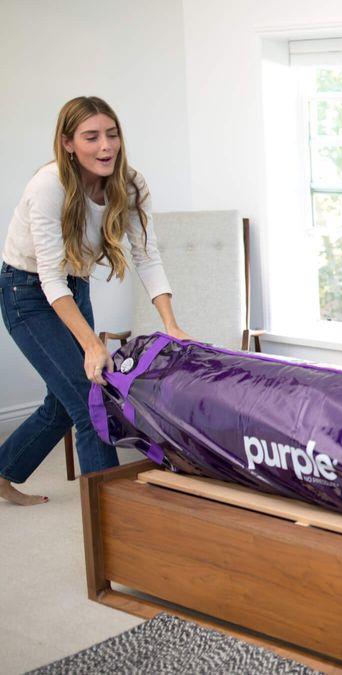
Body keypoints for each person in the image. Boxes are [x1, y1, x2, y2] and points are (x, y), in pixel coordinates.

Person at [1, 96, 190, 505]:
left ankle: (3, 470)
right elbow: (50, 280)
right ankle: (110, 522)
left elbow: (147, 256)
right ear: (68, 143)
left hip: (75, 285)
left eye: (112, 134)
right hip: (27, 293)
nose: (106, 146)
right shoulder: (48, 186)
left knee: (62, 400)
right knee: (90, 401)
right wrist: (92, 343)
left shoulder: (131, 183)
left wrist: (171, 323)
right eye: (91, 137)